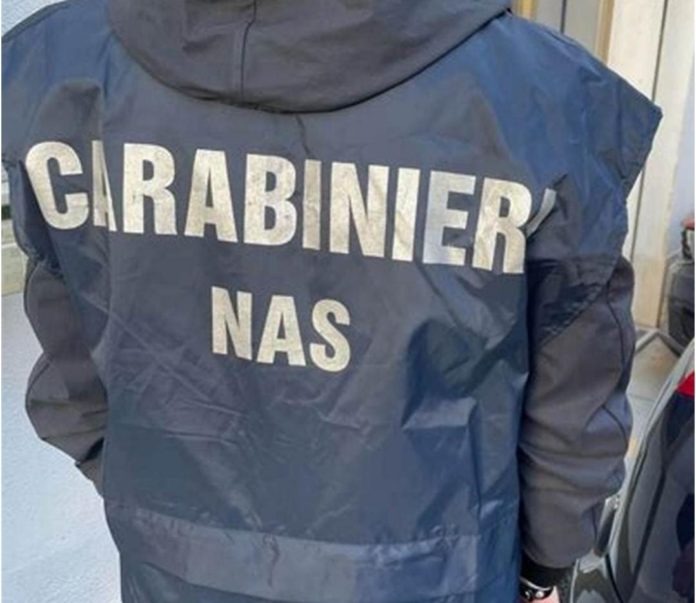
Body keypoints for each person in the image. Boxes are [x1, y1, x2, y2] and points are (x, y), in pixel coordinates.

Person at [2, 1, 661, 601]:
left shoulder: (60, 72)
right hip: (438, 574)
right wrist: (544, 565)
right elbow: (573, 408)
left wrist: (162, 506)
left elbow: (73, 377)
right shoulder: (542, 99)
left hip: (176, 567)